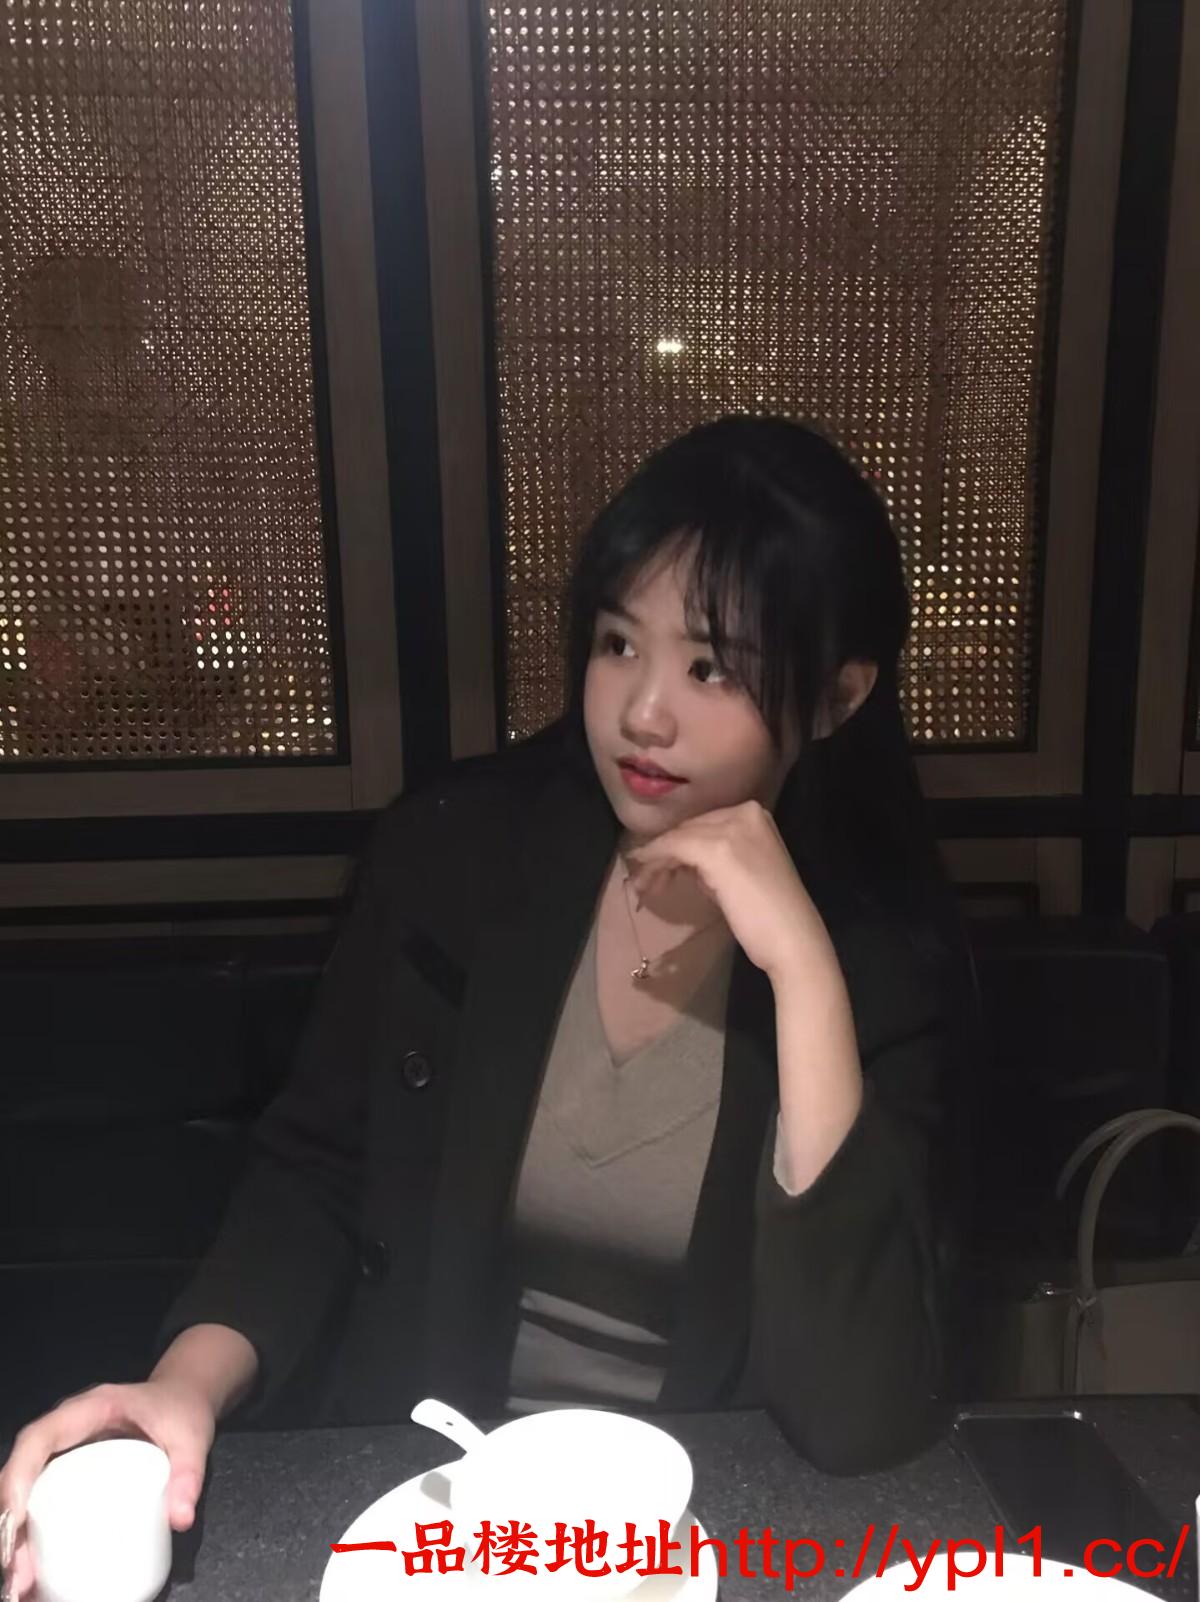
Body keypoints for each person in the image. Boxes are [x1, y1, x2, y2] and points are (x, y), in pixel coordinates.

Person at [0, 416, 980, 1596]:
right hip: (433, 1507)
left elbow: (864, 1412)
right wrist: (182, 1386)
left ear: (835, 697)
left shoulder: (878, 958)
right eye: (619, 643)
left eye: (711, 667)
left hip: (702, 1528)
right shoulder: (458, 858)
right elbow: (317, 1169)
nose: (643, 713)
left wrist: (805, 974)